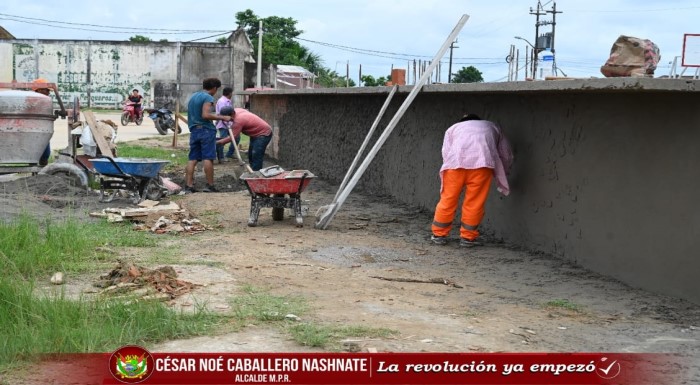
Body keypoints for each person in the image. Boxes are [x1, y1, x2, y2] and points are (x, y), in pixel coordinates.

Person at [431, 114, 513, 248]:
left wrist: (448, 165)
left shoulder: (453, 128)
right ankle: (467, 238)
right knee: (475, 202)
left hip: (455, 166)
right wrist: (505, 170)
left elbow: (446, 151)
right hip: (482, 166)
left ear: (462, 122)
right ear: (478, 120)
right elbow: (505, 153)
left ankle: (439, 235)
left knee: (448, 199)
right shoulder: (492, 126)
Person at [184, 78, 232, 193]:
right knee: (208, 158)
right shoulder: (208, 97)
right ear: (215, 88)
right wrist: (222, 117)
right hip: (206, 130)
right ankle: (210, 185)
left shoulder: (194, 96)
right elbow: (205, 115)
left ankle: (188, 185)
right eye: (217, 89)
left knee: (193, 158)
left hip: (194, 130)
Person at [216, 107, 272, 172]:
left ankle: (257, 175)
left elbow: (233, 137)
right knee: (251, 154)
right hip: (255, 134)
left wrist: (218, 142)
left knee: (256, 154)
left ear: (232, 114)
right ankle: (252, 171)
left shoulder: (238, 120)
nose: (224, 120)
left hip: (263, 134)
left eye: (225, 118)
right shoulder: (236, 110)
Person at [32, 78, 52, 166]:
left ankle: (41, 172)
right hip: (33, 129)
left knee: (45, 154)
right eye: (47, 90)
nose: (49, 92)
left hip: (42, 130)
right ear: (39, 90)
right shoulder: (30, 100)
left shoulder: (46, 101)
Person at [215, 87, 237, 163]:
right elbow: (223, 114)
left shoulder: (228, 101)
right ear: (230, 93)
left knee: (236, 137)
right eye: (232, 93)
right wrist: (227, 124)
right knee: (222, 141)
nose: (232, 94)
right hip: (223, 124)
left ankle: (230, 153)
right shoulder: (221, 101)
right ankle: (221, 158)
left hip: (229, 124)